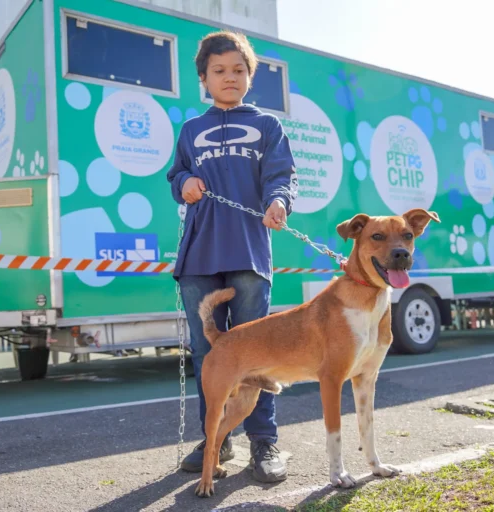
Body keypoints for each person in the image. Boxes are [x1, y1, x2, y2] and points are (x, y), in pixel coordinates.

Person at [166, 30, 298, 483]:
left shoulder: (267, 126)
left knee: (257, 354)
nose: (229, 77)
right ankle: (217, 440)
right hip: (198, 257)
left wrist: (279, 201)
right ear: (203, 78)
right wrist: (183, 181)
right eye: (219, 71)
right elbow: (176, 173)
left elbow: (281, 176)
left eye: (239, 70)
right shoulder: (190, 130)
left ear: (250, 76)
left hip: (249, 254)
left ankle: (265, 443)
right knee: (209, 354)